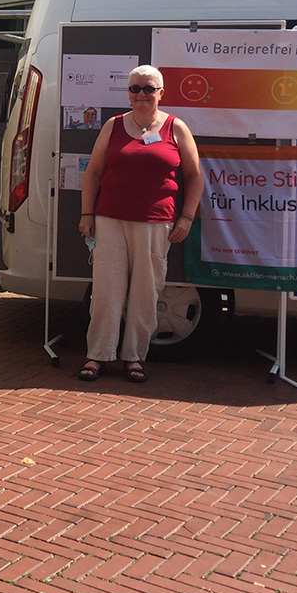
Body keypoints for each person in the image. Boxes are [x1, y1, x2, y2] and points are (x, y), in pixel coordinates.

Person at [76, 64, 203, 384]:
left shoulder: (176, 128)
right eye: (135, 89)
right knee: (106, 291)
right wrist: (86, 214)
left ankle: (134, 357)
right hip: (110, 220)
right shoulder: (113, 125)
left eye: (149, 88)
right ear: (128, 93)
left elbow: (194, 177)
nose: (142, 94)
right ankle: (98, 354)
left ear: (161, 93)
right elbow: (92, 173)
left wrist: (186, 217)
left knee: (146, 293)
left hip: (156, 223)